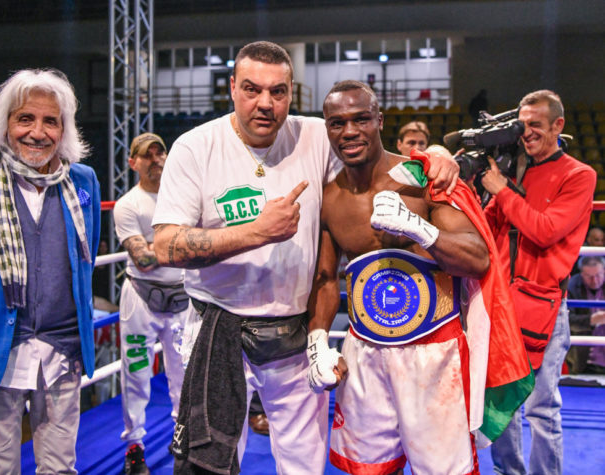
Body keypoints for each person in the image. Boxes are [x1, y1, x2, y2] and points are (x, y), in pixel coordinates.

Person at [151, 41, 460, 475]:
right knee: (208, 463)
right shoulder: (195, 147)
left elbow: (375, 155)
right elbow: (164, 245)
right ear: (232, 88)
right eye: (252, 89)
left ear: (291, 93)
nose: (265, 103)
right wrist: (256, 232)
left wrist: (434, 157)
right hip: (216, 329)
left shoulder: (316, 136)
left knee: (304, 466)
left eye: (277, 91)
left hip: (294, 334)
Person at [308, 80, 532, 474]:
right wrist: (317, 343)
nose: (350, 131)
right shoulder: (330, 198)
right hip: (365, 351)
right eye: (338, 123)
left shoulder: (426, 178)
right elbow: (326, 279)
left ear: (380, 121)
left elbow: (478, 259)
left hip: (434, 354)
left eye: (361, 119)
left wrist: (420, 229)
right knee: (369, 469)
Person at [0, 68, 101, 474]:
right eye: (25, 119)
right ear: (5, 123)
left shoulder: (83, 180)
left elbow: (85, 261)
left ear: (64, 129)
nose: (37, 132)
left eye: (50, 121)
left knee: (60, 468)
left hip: (63, 352)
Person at [481, 89, 596, 474]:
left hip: (544, 305)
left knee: (541, 409)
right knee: (501, 403)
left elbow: (545, 231)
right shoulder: (516, 169)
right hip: (501, 303)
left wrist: (502, 191)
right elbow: (490, 226)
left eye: (536, 125)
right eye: (522, 125)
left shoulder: (579, 175)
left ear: (558, 125)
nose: (526, 132)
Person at [114, 132, 190, 474]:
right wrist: (179, 246)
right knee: (136, 373)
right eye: (148, 155)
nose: (156, 159)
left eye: (161, 153)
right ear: (133, 163)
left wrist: (155, 245)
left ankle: (183, 437)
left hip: (182, 296)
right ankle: (135, 446)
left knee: (184, 374)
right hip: (140, 298)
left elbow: (155, 251)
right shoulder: (128, 205)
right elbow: (142, 260)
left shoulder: (184, 199)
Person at [565, 256, 605, 374]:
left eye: (598, 275)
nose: (594, 280)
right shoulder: (571, 286)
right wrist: (591, 320)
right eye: (589, 276)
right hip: (581, 359)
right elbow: (565, 321)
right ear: (581, 273)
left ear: (604, 271)